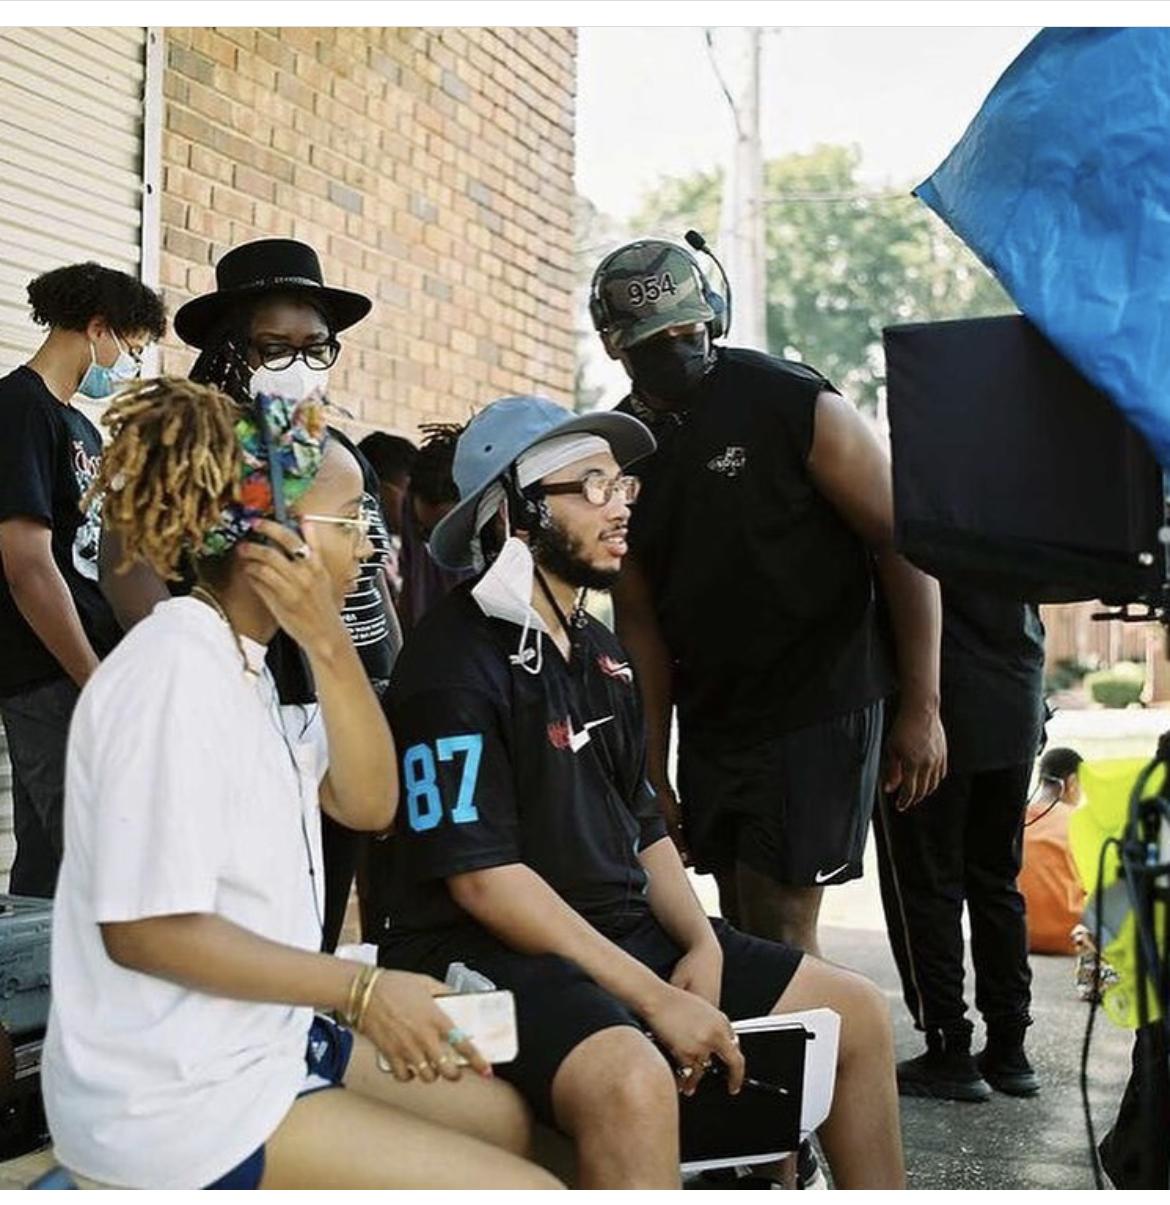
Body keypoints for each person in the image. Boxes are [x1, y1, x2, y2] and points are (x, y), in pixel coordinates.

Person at [371, 395, 906, 1190]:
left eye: (621, 484)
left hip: (617, 930)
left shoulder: (601, 652)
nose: (621, 504)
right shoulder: (450, 665)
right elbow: (484, 880)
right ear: (516, 513)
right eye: (590, 486)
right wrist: (654, 996)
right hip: (480, 954)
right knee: (631, 1077)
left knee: (856, 1014)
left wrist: (700, 945)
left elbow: (644, 821)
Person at [42, 377, 558, 1190]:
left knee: (509, 1120)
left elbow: (370, 802)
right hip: (176, 1101)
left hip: (263, 1040)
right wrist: (362, 990)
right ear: (271, 537)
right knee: (530, 1191)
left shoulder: (248, 667)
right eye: (351, 519)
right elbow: (144, 931)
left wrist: (329, 642)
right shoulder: (173, 670)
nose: (371, 542)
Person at [590, 238, 946, 957]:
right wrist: (651, 767)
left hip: (819, 697)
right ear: (616, 347)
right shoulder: (620, 447)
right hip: (717, 711)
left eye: (685, 333)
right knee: (738, 924)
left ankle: (813, 1064)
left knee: (782, 925)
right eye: (651, 342)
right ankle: (766, 1069)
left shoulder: (791, 401)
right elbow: (640, 624)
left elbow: (903, 541)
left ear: (712, 319)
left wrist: (922, 704)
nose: (673, 351)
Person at [98, 238, 401, 951]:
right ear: (234, 345)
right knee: (221, 900)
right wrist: (214, 672)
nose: (298, 365)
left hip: (319, 712)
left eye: (315, 348)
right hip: (223, 698)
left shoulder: (334, 458)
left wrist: (367, 697)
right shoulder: (178, 444)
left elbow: (370, 597)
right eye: (276, 346)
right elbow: (124, 563)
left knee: (309, 905)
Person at [0, 262, 165, 897]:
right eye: (132, 347)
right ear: (98, 328)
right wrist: (92, 678)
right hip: (50, 674)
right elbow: (29, 566)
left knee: (53, 863)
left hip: (86, 670)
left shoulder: (80, 427)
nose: (129, 363)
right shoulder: (19, 410)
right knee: (96, 867)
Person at [876, 586, 1046, 1101]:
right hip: (1015, 689)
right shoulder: (1021, 504)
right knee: (997, 879)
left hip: (934, 704)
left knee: (925, 884)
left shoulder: (918, 504)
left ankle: (949, 1046)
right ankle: (1010, 1045)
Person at [396, 422, 475, 633]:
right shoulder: (411, 506)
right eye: (427, 533)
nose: (436, 546)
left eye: (450, 535)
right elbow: (409, 585)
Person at [1020, 746, 1085, 956]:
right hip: (1070, 936)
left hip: (1020, 935)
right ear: (1073, 783)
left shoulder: (1017, 819)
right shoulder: (1077, 821)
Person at [357, 431, 418, 602]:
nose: (415, 506)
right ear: (380, 492)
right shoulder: (363, 555)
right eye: (409, 494)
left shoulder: (405, 549)